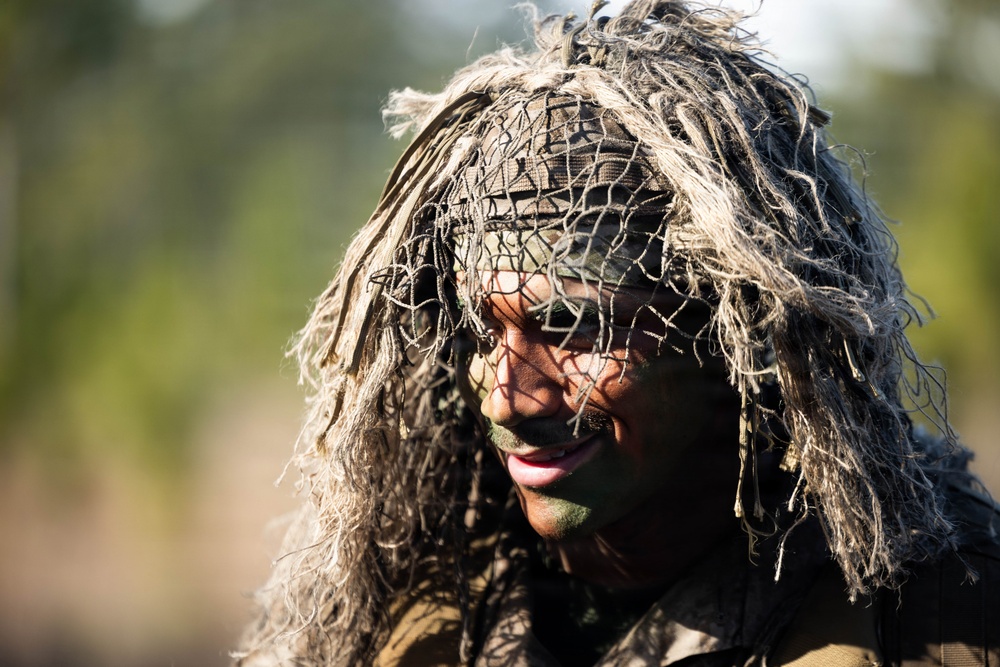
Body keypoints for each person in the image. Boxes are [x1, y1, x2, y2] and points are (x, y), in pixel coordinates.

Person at [234, 2, 1000, 665]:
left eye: (574, 325)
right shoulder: (410, 612)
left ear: (736, 334)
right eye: (481, 327)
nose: (509, 396)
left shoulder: (924, 612)